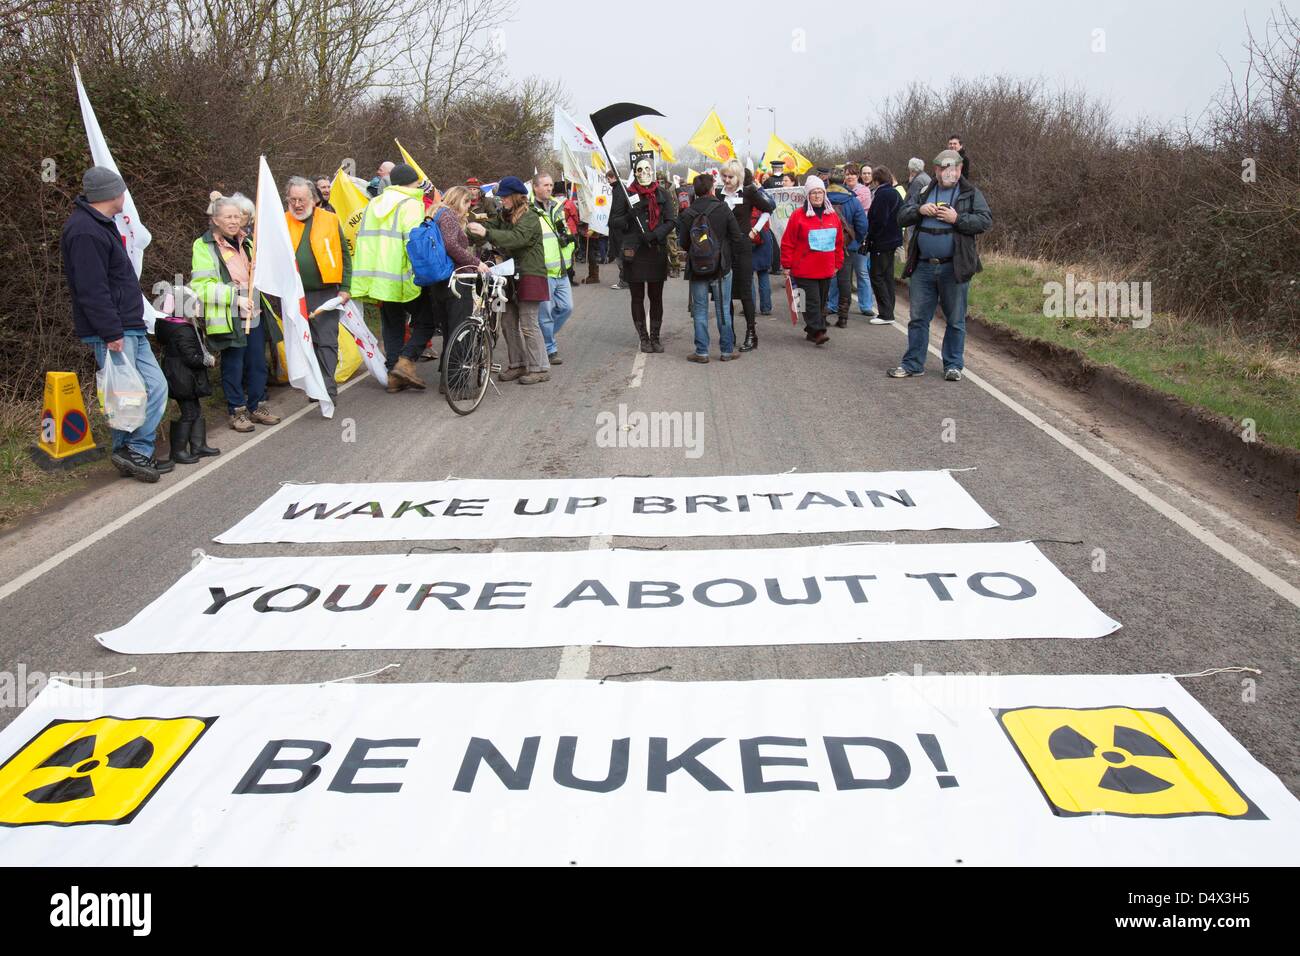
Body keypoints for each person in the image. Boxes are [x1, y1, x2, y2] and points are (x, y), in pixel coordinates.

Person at [61, 166, 170, 481]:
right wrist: (110, 331)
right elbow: (91, 288)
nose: (126, 196)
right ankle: (136, 451)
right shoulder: (84, 230)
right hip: (114, 329)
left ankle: (133, 451)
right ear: (110, 193)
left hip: (128, 323)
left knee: (145, 389)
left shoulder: (101, 224)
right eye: (122, 190)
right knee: (131, 394)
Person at [890, 148, 992, 381]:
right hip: (923, 266)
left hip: (953, 267)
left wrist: (957, 219)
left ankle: (953, 365)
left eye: (952, 168)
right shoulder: (924, 191)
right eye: (943, 168)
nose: (947, 172)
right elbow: (902, 216)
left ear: (959, 169)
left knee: (955, 320)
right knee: (918, 319)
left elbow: (985, 221)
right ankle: (913, 364)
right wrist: (919, 210)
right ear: (936, 170)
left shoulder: (970, 193)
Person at [192, 195, 281, 432]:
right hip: (228, 315)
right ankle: (237, 411)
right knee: (234, 364)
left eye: (237, 216)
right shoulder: (204, 246)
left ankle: (258, 405)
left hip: (254, 311)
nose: (234, 221)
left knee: (257, 362)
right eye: (228, 217)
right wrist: (235, 297)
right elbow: (201, 287)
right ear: (215, 220)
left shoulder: (248, 242)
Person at [351, 163, 429, 393]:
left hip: (380, 277)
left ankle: (393, 377)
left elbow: (366, 242)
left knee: (392, 324)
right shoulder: (412, 204)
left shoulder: (374, 203)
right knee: (427, 320)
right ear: (412, 182)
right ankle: (405, 362)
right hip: (403, 275)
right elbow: (414, 244)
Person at [467, 175, 551, 384]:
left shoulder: (530, 216)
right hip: (508, 275)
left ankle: (540, 367)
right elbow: (489, 230)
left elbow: (517, 239)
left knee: (529, 323)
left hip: (530, 273)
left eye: (505, 197)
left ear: (515, 196)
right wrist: (470, 231)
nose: (502, 200)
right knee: (507, 321)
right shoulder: (503, 215)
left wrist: (486, 232)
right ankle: (518, 364)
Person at [404, 185, 488, 393]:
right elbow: (452, 245)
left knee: (451, 331)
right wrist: (476, 262)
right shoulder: (449, 216)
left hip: (438, 283)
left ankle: (446, 381)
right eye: (467, 203)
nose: (468, 209)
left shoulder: (434, 214)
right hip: (457, 282)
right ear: (459, 200)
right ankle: (457, 386)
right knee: (462, 332)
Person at [285, 176, 350, 405]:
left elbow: (344, 254)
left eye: (301, 199)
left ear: (313, 199)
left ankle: (327, 388)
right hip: (296, 295)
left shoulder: (330, 220)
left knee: (326, 341)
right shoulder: (282, 223)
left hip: (325, 293)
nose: (297, 204)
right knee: (306, 342)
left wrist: (345, 287)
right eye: (292, 199)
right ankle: (314, 386)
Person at [608, 156, 676, 353]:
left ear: (652, 171)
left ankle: (655, 336)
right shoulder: (626, 195)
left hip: (656, 249)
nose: (644, 173)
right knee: (637, 297)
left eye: (647, 169)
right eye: (640, 170)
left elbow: (671, 220)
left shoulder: (662, 193)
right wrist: (630, 215)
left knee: (656, 297)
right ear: (635, 172)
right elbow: (613, 221)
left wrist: (655, 234)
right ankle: (643, 338)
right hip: (634, 252)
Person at [676, 173, 744, 362]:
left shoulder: (687, 213)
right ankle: (726, 350)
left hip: (697, 268)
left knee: (699, 310)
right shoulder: (723, 209)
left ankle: (702, 352)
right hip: (721, 267)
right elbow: (737, 236)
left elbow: (683, 242)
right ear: (712, 189)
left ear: (695, 192)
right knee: (723, 308)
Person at [155, 286, 219, 465]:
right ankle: (178, 451)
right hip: (182, 379)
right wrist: (207, 360)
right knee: (189, 413)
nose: (199, 307)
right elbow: (191, 357)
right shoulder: (183, 330)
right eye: (195, 304)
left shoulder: (182, 327)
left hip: (185, 378)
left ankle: (198, 445)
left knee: (196, 411)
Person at [716, 160, 775, 352]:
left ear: (739, 177)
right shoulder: (718, 193)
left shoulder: (749, 192)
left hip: (743, 247)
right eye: (724, 176)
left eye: (730, 177)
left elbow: (768, 209)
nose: (727, 180)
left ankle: (751, 334)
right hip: (725, 249)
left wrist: (755, 230)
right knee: (727, 294)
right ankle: (729, 333)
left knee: (745, 292)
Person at [779, 174, 843, 346]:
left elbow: (839, 242)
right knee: (810, 301)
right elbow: (787, 242)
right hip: (804, 269)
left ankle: (811, 330)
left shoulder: (832, 216)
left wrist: (838, 263)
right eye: (813, 193)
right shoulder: (798, 216)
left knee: (821, 303)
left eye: (820, 192)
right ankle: (819, 332)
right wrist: (786, 264)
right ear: (808, 195)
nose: (817, 196)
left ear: (824, 194)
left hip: (826, 268)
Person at [529, 172, 576, 365]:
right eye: (545, 185)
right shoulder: (529, 210)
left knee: (566, 308)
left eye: (550, 185)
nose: (550, 188)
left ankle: (540, 338)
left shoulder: (557, 206)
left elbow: (564, 231)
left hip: (562, 269)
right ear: (535, 187)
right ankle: (549, 348)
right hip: (543, 270)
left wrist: (570, 242)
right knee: (545, 314)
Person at [823, 169, 870, 328]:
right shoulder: (853, 200)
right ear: (843, 181)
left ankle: (822, 314)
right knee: (844, 281)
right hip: (846, 245)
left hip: (822, 245)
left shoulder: (820, 198)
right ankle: (843, 317)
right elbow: (862, 225)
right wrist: (855, 241)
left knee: (822, 279)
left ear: (828, 181)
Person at [863, 165, 904, 328]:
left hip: (882, 241)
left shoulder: (882, 195)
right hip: (893, 239)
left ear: (877, 179)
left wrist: (871, 237)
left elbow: (879, 219)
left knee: (877, 276)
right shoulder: (894, 193)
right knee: (887, 276)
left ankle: (885, 312)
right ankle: (889, 310)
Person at [605, 168, 628, 289]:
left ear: (613, 177)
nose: (608, 182)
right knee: (620, 253)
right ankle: (625, 279)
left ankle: (624, 280)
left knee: (620, 254)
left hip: (618, 228)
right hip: (619, 226)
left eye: (608, 179)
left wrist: (612, 222)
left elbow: (617, 209)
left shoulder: (619, 190)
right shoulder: (619, 188)